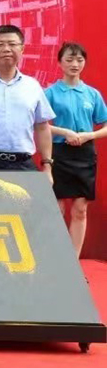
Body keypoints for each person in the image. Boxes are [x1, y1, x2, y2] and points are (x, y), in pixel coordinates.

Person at [0, 24, 56, 177]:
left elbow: (42, 127)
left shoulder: (32, 86)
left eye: (12, 44)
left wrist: (47, 166)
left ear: (22, 49)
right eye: (0, 44)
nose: (6, 49)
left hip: (23, 164)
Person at [45, 42, 107, 256]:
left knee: (80, 209)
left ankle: (74, 260)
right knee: (57, 208)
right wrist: (64, 132)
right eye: (69, 59)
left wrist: (89, 135)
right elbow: (40, 125)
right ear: (59, 63)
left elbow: (105, 125)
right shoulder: (50, 93)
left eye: (79, 60)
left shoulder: (92, 94)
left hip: (85, 154)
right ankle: (55, 257)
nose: (75, 64)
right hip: (58, 153)